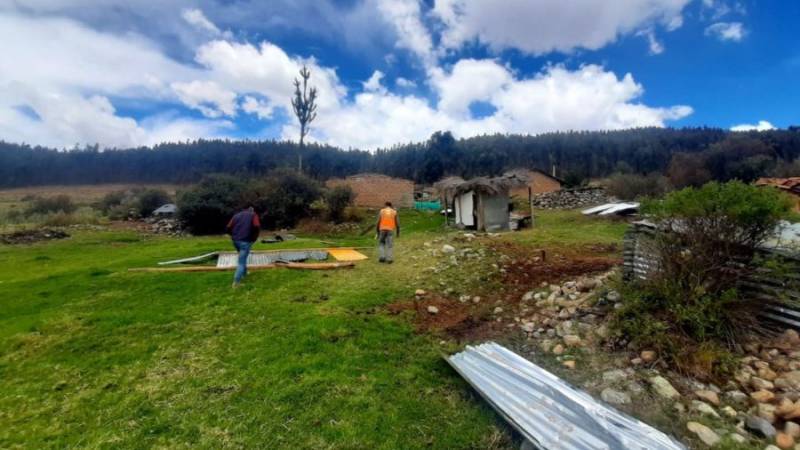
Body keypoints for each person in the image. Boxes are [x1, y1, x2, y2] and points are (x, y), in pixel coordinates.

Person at [226, 206, 261, 287]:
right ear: (251, 210)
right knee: (241, 262)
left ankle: (244, 273)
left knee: (243, 257)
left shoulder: (236, 215)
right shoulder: (253, 215)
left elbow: (228, 227)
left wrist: (233, 235)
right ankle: (236, 283)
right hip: (245, 241)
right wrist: (254, 238)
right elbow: (257, 226)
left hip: (235, 241)